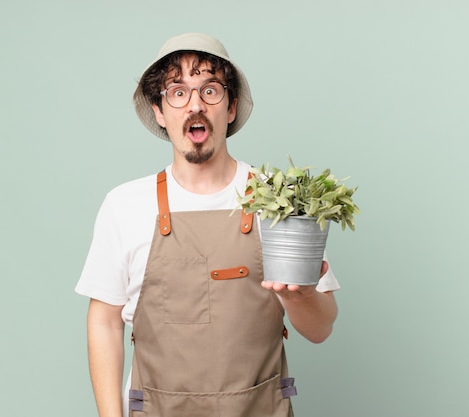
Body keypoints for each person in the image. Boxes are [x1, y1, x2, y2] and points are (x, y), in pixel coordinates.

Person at [75, 32, 339, 417]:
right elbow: (104, 321)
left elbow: (321, 329)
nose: (195, 105)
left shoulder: (281, 201)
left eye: (210, 91)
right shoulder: (124, 206)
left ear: (230, 107)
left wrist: (300, 296)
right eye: (178, 92)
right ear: (160, 111)